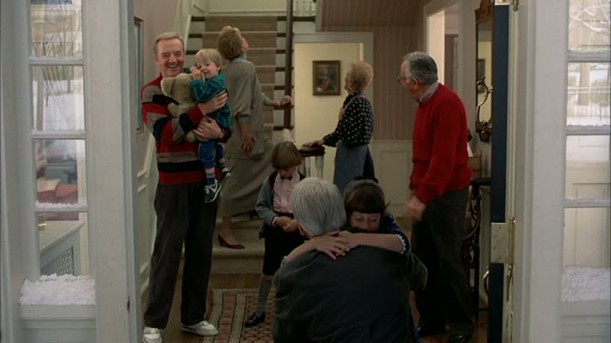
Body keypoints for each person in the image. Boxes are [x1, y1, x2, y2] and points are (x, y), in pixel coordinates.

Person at [140, 32, 229, 343]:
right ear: (157, 59)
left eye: (178, 53)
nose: (174, 59)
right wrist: (201, 111)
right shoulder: (152, 93)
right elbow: (167, 135)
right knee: (166, 254)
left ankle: (193, 318)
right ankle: (154, 323)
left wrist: (222, 131)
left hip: (207, 183)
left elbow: (223, 122)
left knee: (201, 253)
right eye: (167, 55)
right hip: (173, 186)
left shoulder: (200, 83)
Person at [274, 178, 427, 343]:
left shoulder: (295, 272)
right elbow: (421, 278)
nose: (366, 225)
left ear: (302, 228)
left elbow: (284, 337)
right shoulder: (392, 253)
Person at [399, 51, 473, 343]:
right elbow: (424, 156)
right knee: (423, 258)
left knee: (449, 261)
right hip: (428, 191)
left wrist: (422, 197)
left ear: (415, 81)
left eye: (402, 79)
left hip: (447, 194)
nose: (402, 84)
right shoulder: (424, 102)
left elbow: (443, 160)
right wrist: (415, 187)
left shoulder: (448, 104)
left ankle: (462, 326)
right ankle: (431, 320)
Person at [215, 26, 292, 249]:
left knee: (275, 162)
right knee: (235, 182)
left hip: (250, 134)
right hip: (244, 136)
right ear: (240, 45)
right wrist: (246, 134)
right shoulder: (245, 68)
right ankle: (226, 228)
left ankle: (257, 208)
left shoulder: (231, 69)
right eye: (242, 37)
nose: (246, 39)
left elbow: (256, 94)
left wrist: (277, 103)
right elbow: (240, 105)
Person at [243, 141, 306, 328]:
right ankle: (261, 309)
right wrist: (275, 220)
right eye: (280, 170)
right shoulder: (270, 181)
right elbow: (260, 206)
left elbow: (310, 208)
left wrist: (297, 222)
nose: (283, 174)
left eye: (286, 170)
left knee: (296, 271)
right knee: (268, 271)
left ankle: (295, 309)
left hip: (297, 231)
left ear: (296, 165)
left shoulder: (305, 183)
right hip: (274, 231)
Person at [303, 60, 375, 193]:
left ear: (352, 82)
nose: (344, 80)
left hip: (352, 156)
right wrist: (324, 140)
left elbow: (349, 136)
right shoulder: (357, 100)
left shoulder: (357, 103)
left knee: (348, 192)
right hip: (356, 154)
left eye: (347, 78)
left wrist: (340, 118)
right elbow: (341, 132)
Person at [190, 48, 232, 203]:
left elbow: (201, 95)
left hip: (220, 121)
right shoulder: (216, 81)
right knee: (216, 146)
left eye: (207, 64)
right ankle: (222, 167)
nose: (203, 69)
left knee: (205, 150)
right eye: (200, 67)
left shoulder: (215, 83)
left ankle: (211, 181)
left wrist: (195, 81)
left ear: (218, 66)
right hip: (220, 121)